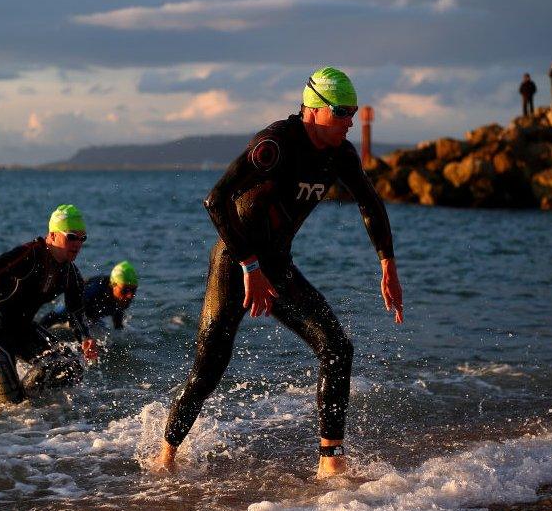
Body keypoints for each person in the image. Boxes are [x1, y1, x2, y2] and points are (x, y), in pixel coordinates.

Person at [154, 66, 404, 479]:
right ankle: (165, 456)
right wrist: (250, 266)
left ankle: (330, 463)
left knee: (337, 347)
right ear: (314, 109)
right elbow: (215, 200)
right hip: (236, 263)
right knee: (208, 371)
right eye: (342, 111)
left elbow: (369, 202)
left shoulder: (339, 153)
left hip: (279, 266)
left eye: (354, 110)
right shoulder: (274, 145)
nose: (351, 120)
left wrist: (387, 265)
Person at [0, 204, 97, 404]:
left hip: (23, 330)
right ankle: (19, 409)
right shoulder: (28, 256)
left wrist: (86, 338)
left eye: (82, 238)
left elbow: (76, 312)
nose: (77, 244)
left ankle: (36, 413)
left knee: (70, 366)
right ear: (53, 235)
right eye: (71, 237)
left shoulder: (71, 274)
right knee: (14, 405)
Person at [40, 260, 139, 330]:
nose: (130, 295)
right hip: (74, 309)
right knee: (58, 316)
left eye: (133, 290)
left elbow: (118, 321)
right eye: (125, 290)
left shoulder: (121, 299)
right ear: (112, 285)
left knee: (103, 332)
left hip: (91, 318)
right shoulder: (93, 290)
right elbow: (54, 316)